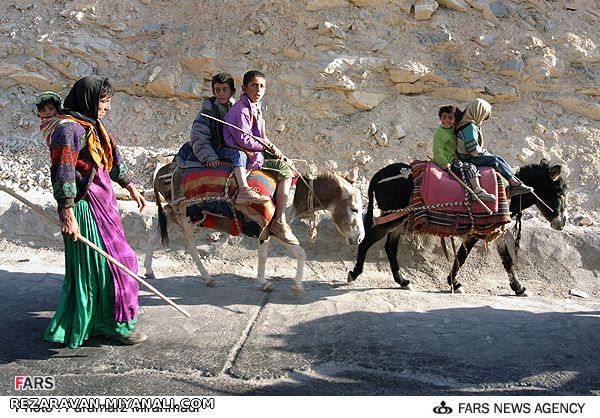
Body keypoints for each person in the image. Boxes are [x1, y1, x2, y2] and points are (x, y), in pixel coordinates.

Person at [43, 75, 147, 348]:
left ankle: (106, 322)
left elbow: (112, 157)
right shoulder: (68, 129)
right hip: (85, 208)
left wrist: (130, 185)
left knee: (119, 263)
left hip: (104, 206)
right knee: (107, 268)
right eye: (104, 101)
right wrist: (67, 214)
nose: (108, 107)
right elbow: (62, 171)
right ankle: (113, 325)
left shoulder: (92, 125)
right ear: (89, 99)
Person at [222, 70, 299, 245]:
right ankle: (279, 219)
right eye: (254, 85)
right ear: (244, 88)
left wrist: (275, 148)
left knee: (288, 163)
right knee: (284, 170)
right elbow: (244, 139)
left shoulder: (255, 107)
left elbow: (261, 136)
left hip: (253, 148)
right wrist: (267, 147)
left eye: (262, 86)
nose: (258, 90)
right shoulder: (241, 110)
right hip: (241, 149)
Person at [175, 72, 268, 205]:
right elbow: (199, 137)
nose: (221, 94)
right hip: (215, 149)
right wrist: (209, 156)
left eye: (225, 90)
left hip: (228, 147)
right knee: (239, 155)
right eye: (217, 90)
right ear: (213, 91)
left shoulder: (236, 109)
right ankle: (244, 190)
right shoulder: (207, 113)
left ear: (232, 91)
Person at [455, 98, 534, 196]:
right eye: (484, 116)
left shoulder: (464, 124)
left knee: (497, 158)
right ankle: (514, 183)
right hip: (468, 159)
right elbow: (473, 150)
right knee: (495, 160)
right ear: (478, 113)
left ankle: (514, 180)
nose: (484, 120)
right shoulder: (469, 127)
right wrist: (486, 154)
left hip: (468, 157)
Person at [432, 105, 496, 201]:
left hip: (455, 159)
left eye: (450, 118)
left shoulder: (453, 131)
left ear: (456, 121)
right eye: (443, 117)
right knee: (470, 168)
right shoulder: (440, 132)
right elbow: (437, 150)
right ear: (440, 118)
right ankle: (478, 191)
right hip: (450, 161)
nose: (446, 120)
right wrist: (444, 163)